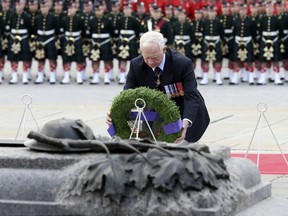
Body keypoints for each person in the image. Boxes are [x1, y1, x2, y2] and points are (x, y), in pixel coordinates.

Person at [107, 31, 210, 143]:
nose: (150, 62)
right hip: (154, 116)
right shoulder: (136, 65)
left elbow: (191, 96)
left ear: (164, 50)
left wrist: (185, 122)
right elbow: (127, 94)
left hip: (184, 112)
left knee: (182, 152)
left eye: (155, 58)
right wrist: (114, 112)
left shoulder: (182, 64)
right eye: (146, 57)